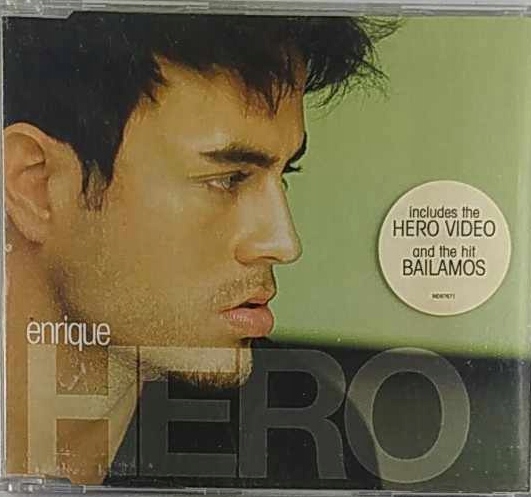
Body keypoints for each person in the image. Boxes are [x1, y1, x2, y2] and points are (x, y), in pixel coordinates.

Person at [3, 13, 395, 485]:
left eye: (284, 174)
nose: (283, 243)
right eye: (227, 179)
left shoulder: (300, 435)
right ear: (38, 186)